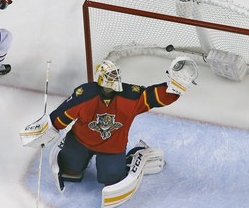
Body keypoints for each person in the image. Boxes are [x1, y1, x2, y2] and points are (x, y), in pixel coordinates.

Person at [43, 58, 198, 186]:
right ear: (101, 78)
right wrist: (45, 131)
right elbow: (62, 115)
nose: (115, 79)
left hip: (111, 146)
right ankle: (77, 158)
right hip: (80, 141)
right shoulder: (86, 94)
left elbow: (152, 96)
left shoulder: (129, 95)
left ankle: (134, 154)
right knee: (70, 171)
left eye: (116, 75)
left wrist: (175, 86)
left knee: (111, 180)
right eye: (110, 76)